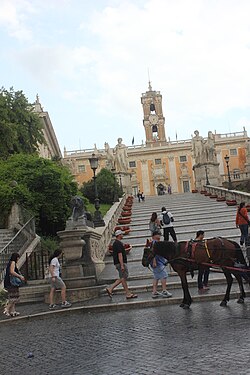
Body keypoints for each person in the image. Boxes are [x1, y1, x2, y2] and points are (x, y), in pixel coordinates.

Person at [106, 230, 137, 299]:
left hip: (118, 263)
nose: (122, 235)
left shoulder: (115, 243)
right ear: (119, 235)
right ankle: (111, 288)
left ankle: (127, 293)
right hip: (120, 263)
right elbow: (120, 254)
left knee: (123, 278)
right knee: (123, 278)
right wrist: (122, 265)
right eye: (121, 234)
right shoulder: (118, 243)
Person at [150, 231, 172, 299]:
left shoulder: (154, 242)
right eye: (157, 236)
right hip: (158, 262)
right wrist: (154, 262)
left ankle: (154, 292)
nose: (159, 237)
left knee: (156, 277)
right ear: (153, 236)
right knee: (164, 276)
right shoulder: (155, 243)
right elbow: (153, 253)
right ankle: (164, 290)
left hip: (158, 262)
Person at [3, 252, 25, 317]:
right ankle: (6, 309)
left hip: (9, 282)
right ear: (16, 258)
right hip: (12, 282)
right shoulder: (13, 263)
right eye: (18, 257)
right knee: (14, 297)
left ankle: (13, 311)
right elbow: (12, 271)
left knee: (13, 296)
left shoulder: (10, 263)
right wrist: (20, 276)